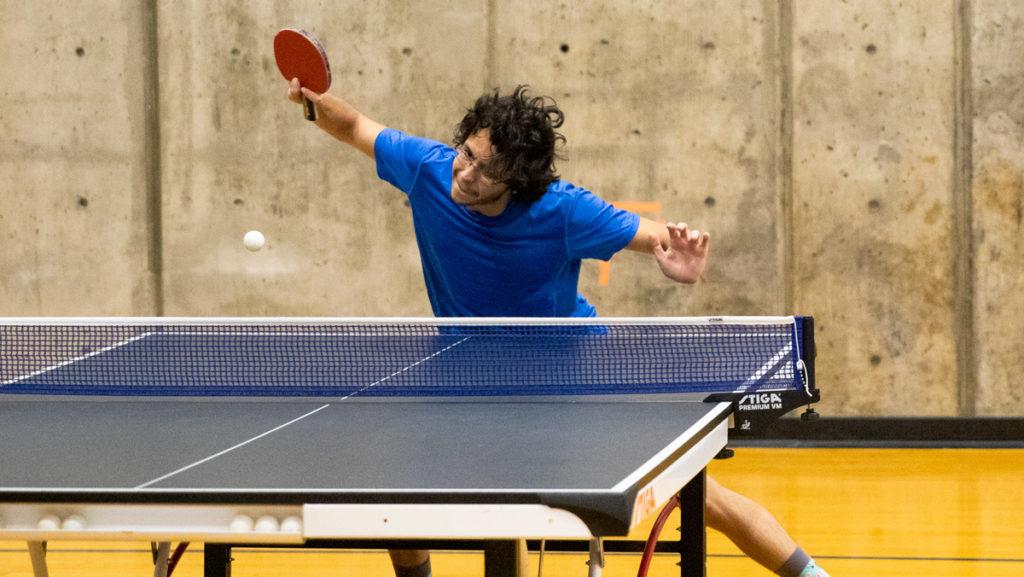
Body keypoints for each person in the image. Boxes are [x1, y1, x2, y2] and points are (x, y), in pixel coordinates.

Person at [286, 80, 830, 577]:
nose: (467, 175)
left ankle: (811, 574)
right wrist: (312, 99)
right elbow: (355, 125)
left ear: (517, 182)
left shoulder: (563, 211)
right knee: (398, 496)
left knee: (698, 494)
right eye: (467, 155)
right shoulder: (428, 168)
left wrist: (681, 259)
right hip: (467, 374)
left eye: (486, 172)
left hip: (569, 375)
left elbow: (659, 237)